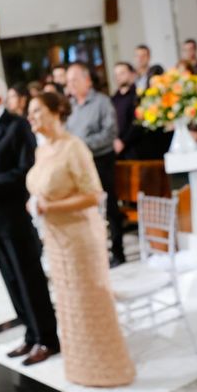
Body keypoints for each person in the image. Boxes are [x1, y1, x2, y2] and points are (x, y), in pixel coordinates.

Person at [26, 92, 135, 387]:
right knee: (69, 303)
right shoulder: (42, 151)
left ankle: (107, 367)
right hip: (56, 238)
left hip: (80, 238)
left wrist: (49, 207)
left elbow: (93, 195)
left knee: (89, 300)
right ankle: (80, 366)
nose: (31, 117)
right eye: (29, 112)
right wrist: (35, 202)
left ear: (55, 112)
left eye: (36, 111)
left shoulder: (74, 148)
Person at [0, 76, 59, 366]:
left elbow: (25, 171)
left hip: (17, 216)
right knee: (12, 281)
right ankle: (30, 335)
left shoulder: (16, 126)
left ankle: (48, 338)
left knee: (30, 280)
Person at [65, 62, 125, 266]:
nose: (70, 84)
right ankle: (97, 252)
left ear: (87, 80)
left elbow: (109, 133)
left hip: (101, 160)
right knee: (88, 210)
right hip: (79, 165)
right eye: (68, 81)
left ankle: (118, 252)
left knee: (109, 207)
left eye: (74, 80)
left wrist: (82, 145)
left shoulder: (101, 102)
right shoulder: (70, 107)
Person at [111, 62, 139, 159]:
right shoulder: (113, 99)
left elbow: (137, 122)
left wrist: (124, 141)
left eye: (122, 73)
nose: (119, 77)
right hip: (116, 147)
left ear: (132, 74)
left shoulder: (138, 96)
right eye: (116, 74)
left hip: (135, 147)